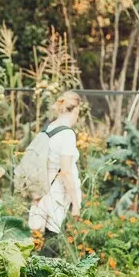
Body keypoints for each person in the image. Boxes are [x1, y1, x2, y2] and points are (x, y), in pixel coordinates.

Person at [28, 91, 83, 255]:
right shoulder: (67, 134)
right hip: (58, 193)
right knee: (53, 244)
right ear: (74, 111)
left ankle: (36, 275)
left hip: (45, 189)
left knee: (44, 240)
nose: (77, 118)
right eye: (77, 113)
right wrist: (76, 203)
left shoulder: (48, 129)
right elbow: (65, 172)